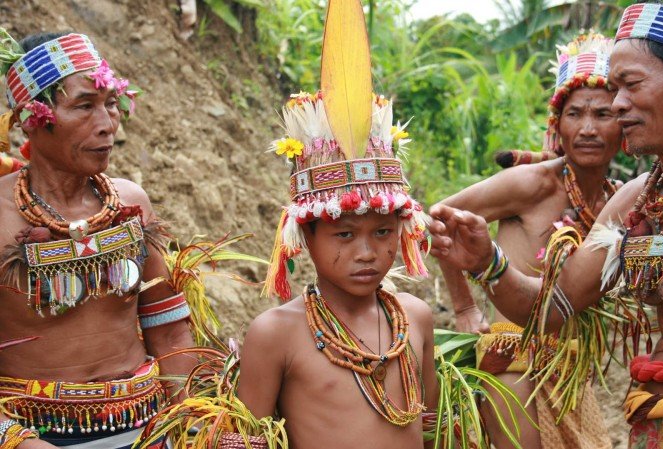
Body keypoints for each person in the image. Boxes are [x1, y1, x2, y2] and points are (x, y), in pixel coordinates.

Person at [429, 1, 663, 448]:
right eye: (614, 88)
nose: (618, 103)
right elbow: (553, 310)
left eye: (631, 85)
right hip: (650, 427)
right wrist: (490, 263)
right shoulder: (635, 200)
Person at [235, 2, 437, 448]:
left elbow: (432, 426)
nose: (366, 252)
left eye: (383, 232)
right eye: (344, 234)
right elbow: (247, 440)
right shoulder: (276, 334)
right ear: (305, 236)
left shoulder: (416, 320)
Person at [0, 30, 195, 448]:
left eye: (110, 104)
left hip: (149, 428)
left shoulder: (131, 202)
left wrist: (193, 419)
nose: (107, 125)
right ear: (30, 120)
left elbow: (169, 328)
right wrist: (18, 441)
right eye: (84, 106)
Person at [436, 32, 617, 449]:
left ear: (625, 122)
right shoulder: (533, 183)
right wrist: (464, 306)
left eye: (603, 115)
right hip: (512, 360)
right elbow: (439, 221)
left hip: (571, 368)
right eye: (576, 115)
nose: (588, 128)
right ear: (559, 125)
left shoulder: (614, 200)